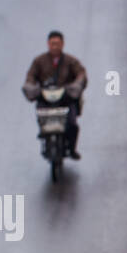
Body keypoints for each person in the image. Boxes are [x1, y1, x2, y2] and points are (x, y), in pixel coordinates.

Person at [23, 30, 86, 158]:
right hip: (46, 97)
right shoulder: (38, 61)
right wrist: (31, 87)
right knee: (41, 114)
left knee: (73, 125)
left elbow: (81, 74)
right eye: (52, 43)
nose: (55, 46)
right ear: (48, 44)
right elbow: (30, 77)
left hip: (65, 98)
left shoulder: (71, 61)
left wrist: (76, 85)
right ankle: (44, 133)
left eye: (57, 43)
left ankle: (72, 149)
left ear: (62, 44)